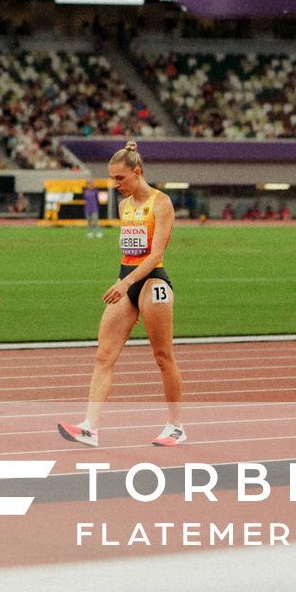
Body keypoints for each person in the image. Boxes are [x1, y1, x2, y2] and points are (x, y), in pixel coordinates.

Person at [57, 140, 187, 448]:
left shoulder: (161, 203)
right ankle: (90, 428)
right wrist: (125, 286)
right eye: (113, 179)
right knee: (104, 355)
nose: (115, 185)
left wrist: (128, 287)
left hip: (154, 283)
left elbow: (155, 256)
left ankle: (176, 426)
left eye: (120, 179)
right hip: (126, 282)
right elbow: (129, 254)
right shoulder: (125, 205)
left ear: (137, 172)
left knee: (162, 356)